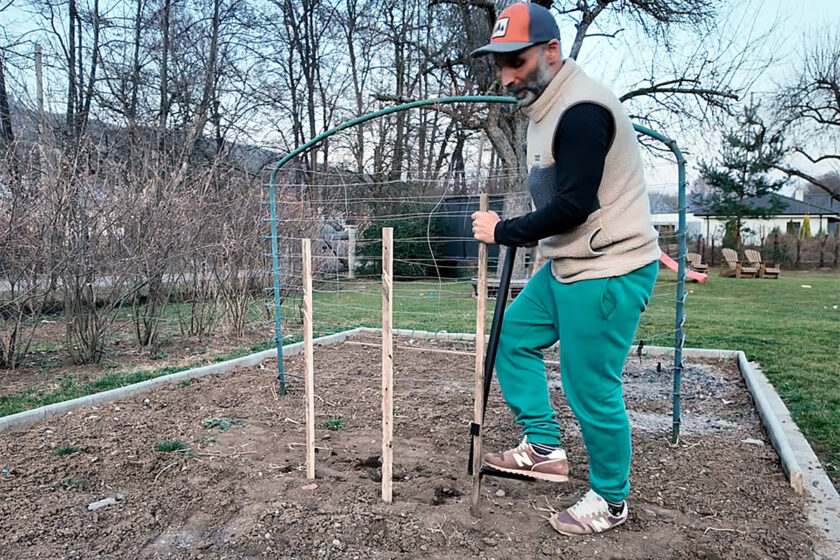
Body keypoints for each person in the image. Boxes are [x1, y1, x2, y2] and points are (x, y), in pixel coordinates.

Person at [469, 2, 661, 536]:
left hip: (608, 267)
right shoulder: (544, 107)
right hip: (568, 264)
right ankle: (544, 448)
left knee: (590, 385)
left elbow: (575, 204)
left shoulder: (581, 111)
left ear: (551, 51)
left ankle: (611, 499)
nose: (506, 76)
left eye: (516, 61)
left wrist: (504, 230)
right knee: (511, 336)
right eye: (500, 63)